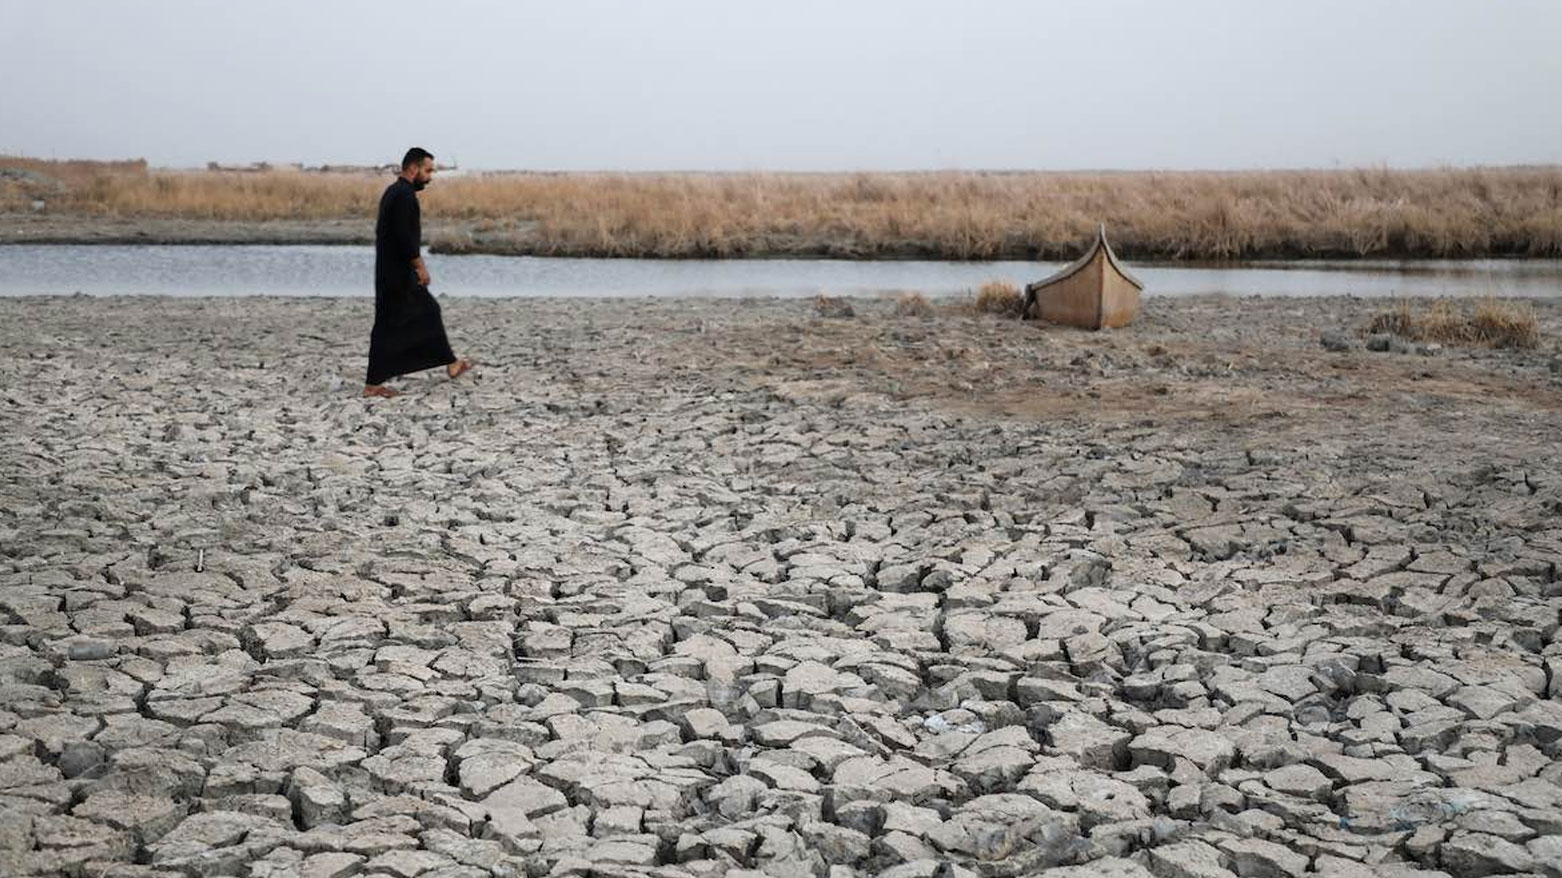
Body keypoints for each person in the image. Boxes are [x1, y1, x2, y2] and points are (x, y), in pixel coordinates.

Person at [363, 147, 473, 398]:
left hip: (392, 271)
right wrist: (420, 266)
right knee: (394, 323)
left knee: (424, 313)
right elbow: (403, 237)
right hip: (397, 274)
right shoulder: (403, 195)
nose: (431, 176)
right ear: (413, 168)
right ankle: (372, 385)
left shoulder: (396, 191)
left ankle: (451, 363)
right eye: (428, 170)